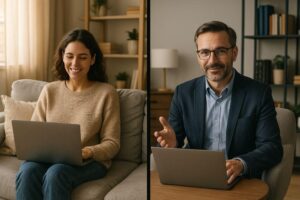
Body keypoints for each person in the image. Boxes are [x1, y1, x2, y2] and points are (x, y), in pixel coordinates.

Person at [154, 21, 283, 184]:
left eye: (220, 51)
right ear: (198, 56)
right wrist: (172, 144)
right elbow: (175, 138)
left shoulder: (258, 93)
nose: (212, 60)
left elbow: (272, 147)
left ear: (234, 53)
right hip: (195, 179)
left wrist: (240, 164)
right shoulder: (183, 93)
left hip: (239, 180)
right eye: (205, 52)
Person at [16, 28, 120, 200]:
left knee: (56, 174)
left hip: (90, 162)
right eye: (70, 56)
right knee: (27, 171)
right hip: (49, 158)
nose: (75, 63)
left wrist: (87, 152)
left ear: (93, 59)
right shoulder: (50, 90)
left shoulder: (106, 93)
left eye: (83, 57)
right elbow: (34, 132)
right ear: (63, 56)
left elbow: (112, 143)